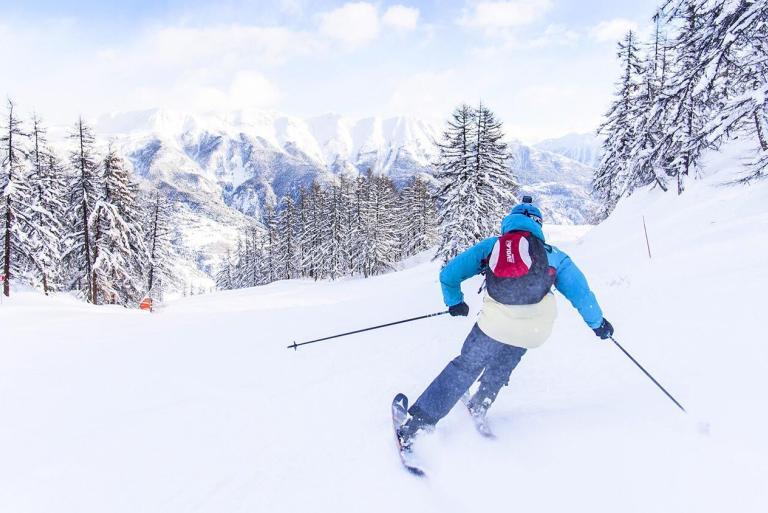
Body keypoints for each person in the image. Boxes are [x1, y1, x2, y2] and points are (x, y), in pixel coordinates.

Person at [397, 196, 613, 448]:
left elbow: (449, 275)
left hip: (494, 325)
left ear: (510, 222)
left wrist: (455, 302)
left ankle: (418, 425)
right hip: (534, 330)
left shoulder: (492, 247)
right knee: (505, 360)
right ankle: (481, 402)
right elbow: (581, 294)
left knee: (466, 367)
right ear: (538, 224)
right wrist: (598, 324)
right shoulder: (554, 256)